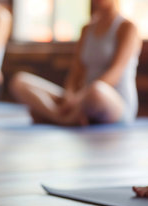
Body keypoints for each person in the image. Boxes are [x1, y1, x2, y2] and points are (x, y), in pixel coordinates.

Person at [10, 0, 141, 126]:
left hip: (110, 100)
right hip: (81, 98)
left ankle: (55, 116)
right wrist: (70, 95)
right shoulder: (86, 29)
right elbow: (75, 73)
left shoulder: (128, 28)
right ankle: (63, 119)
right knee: (19, 81)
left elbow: (115, 74)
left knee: (96, 91)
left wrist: (80, 98)